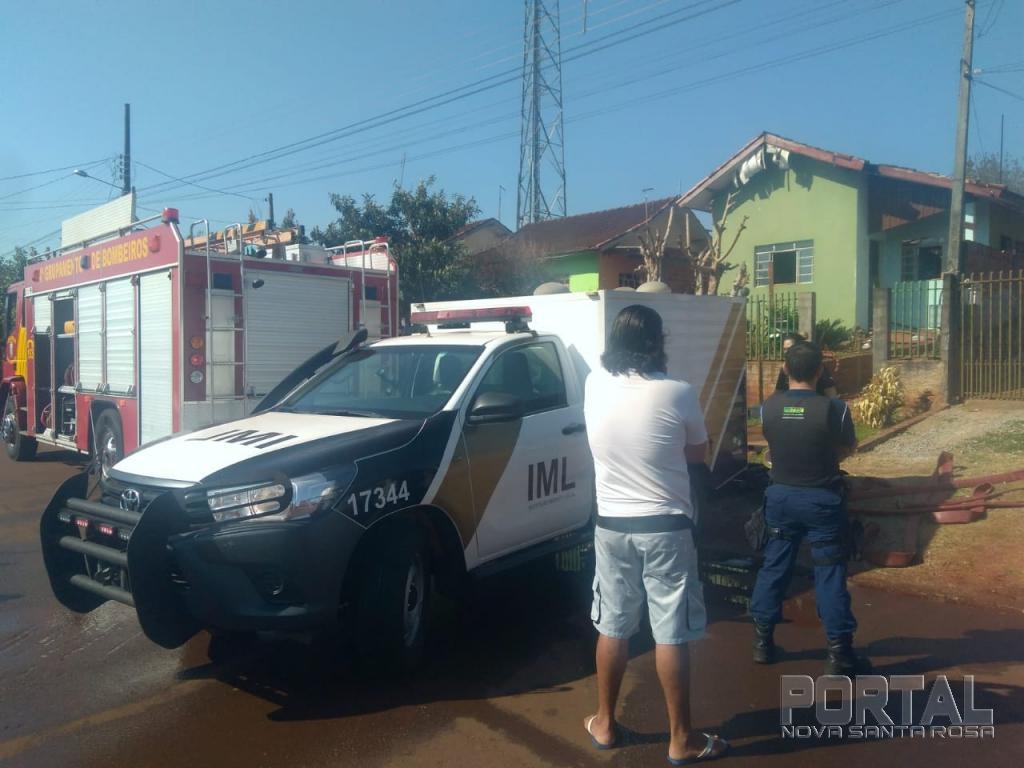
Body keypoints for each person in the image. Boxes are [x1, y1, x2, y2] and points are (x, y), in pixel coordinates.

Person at [582, 304, 729, 765]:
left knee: (612, 625)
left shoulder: (593, 384)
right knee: (670, 633)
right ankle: (681, 740)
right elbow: (697, 452)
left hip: (610, 525)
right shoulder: (677, 392)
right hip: (666, 527)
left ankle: (605, 723)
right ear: (656, 343)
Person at [750, 341, 870, 675]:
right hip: (822, 500)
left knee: (774, 566)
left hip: (780, 498)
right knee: (829, 572)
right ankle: (839, 654)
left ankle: (762, 642)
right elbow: (847, 448)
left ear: (785, 369)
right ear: (820, 370)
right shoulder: (836, 409)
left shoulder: (768, 407)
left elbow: (774, 446)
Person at [774, 333, 838, 397]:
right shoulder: (786, 367)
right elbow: (778, 392)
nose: (786, 352)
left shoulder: (815, 366)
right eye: (784, 349)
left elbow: (831, 393)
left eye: (790, 348)